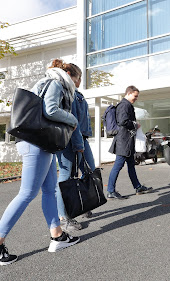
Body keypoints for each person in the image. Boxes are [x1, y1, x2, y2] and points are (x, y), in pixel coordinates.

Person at [0, 59, 81, 265]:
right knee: (27, 194)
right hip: (36, 144)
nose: (77, 85)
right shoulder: (56, 83)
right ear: (70, 74)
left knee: (50, 190)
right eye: (78, 80)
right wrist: (73, 120)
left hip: (40, 144)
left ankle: (58, 236)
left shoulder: (48, 82)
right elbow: (50, 110)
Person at [55, 64, 95, 231]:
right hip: (69, 139)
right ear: (70, 75)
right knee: (65, 176)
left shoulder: (75, 93)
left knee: (89, 170)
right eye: (79, 78)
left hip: (80, 138)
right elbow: (72, 121)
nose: (80, 82)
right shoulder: (66, 92)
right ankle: (63, 218)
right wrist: (78, 143)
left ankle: (82, 205)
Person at [106, 86, 152, 199]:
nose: (136, 98)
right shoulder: (124, 105)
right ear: (129, 93)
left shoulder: (126, 105)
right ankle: (110, 191)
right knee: (118, 165)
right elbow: (123, 121)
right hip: (123, 141)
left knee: (131, 165)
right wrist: (135, 125)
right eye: (135, 96)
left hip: (126, 141)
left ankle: (138, 187)